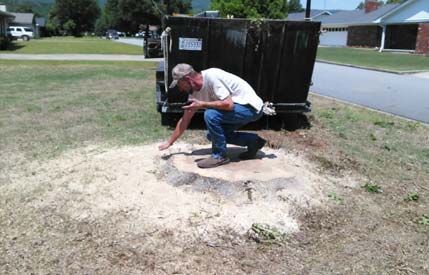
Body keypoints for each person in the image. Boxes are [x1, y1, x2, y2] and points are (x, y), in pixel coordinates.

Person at [158, 63, 267, 168]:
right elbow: (185, 120)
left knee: (211, 114)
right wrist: (169, 142)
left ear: (187, 79)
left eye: (179, 84)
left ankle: (219, 156)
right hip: (241, 108)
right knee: (212, 135)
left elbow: (229, 105)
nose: (180, 89)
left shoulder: (212, 76)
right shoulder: (194, 93)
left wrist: (202, 104)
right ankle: (254, 141)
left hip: (251, 107)